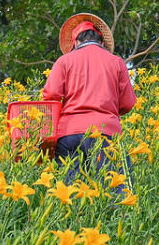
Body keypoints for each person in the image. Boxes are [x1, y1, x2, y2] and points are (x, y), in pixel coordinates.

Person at [42, 13, 136, 190]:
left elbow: (50, 96)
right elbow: (128, 103)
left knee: (71, 195)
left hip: (68, 135)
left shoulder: (64, 61)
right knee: (115, 192)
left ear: (75, 43)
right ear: (101, 42)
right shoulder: (116, 62)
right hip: (105, 133)